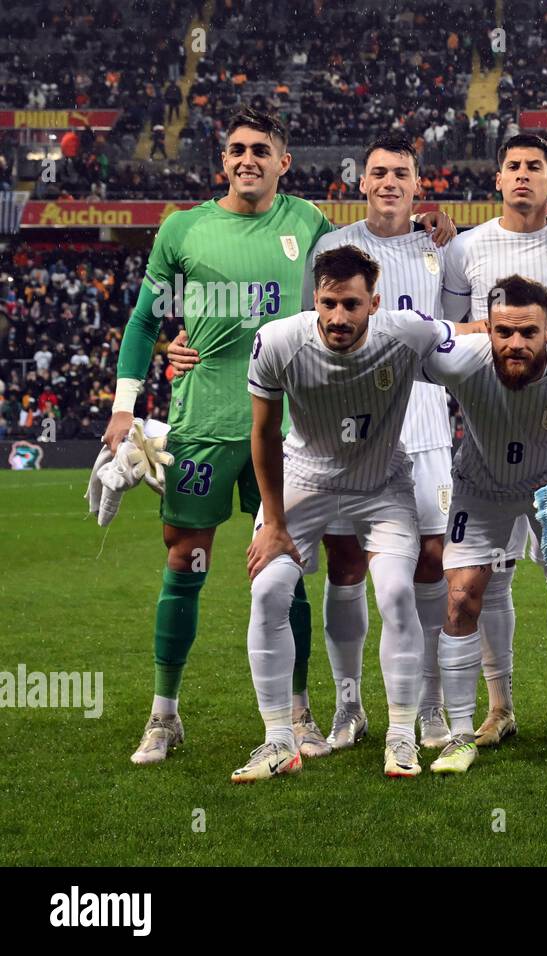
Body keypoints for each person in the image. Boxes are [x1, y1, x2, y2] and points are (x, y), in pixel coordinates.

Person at [107, 108, 334, 767]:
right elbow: (146, 322)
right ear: (223, 159)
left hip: (288, 425)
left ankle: (299, 713)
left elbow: (363, 274)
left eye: (261, 150)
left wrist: (431, 226)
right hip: (203, 423)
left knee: (285, 568)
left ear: (282, 161)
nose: (248, 159)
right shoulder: (184, 229)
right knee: (186, 562)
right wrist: (126, 409)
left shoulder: (308, 224)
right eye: (237, 149)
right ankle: (164, 715)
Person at [238, 245, 471, 781]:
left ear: (375, 303)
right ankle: (277, 740)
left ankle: (401, 736)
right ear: (315, 299)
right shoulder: (278, 341)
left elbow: (471, 338)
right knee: (268, 590)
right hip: (303, 481)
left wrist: (534, 329)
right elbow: (264, 433)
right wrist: (272, 523)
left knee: (394, 590)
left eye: (351, 304)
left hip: (380, 483)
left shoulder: (406, 332)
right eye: (328, 303)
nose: (338, 317)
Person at [439, 134, 547, 748]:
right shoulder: (466, 247)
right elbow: (444, 329)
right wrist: (499, 333)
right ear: (498, 178)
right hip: (489, 424)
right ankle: (499, 707)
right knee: (487, 582)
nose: (522, 176)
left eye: (535, 167)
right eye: (512, 166)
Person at [425, 274, 547, 774]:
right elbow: (407, 343)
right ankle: (463, 734)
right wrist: (462, 330)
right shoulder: (459, 360)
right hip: (482, 484)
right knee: (462, 596)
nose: (516, 344)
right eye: (504, 332)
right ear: (487, 330)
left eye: (528, 333)